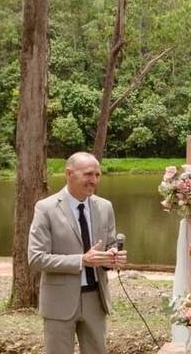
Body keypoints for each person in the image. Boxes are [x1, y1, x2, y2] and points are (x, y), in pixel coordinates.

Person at [27, 152, 127, 354]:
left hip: (95, 300)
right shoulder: (45, 208)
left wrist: (112, 257)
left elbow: (107, 247)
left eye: (97, 175)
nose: (94, 180)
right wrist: (81, 260)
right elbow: (36, 258)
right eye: (88, 174)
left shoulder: (105, 207)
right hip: (59, 301)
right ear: (68, 174)